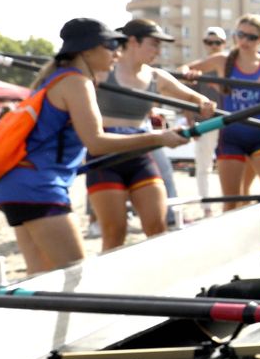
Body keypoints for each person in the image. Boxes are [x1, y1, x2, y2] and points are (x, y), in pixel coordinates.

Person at [0, 19, 187, 275]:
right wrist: (159, 138)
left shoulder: (54, 79)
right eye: (110, 44)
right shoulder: (76, 82)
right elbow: (97, 142)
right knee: (76, 278)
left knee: (39, 282)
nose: (117, 51)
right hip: (38, 188)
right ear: (86, 50)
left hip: (12, 186)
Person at [87, 19, 214, 250]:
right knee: (115, 234)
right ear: (133, 41)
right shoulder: (103, 72)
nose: (158, 50)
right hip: (106, 155)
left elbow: (193, 98)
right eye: (153, 44)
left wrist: (203, 103)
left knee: (157, 228)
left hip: (141, 154)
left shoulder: (157, 77)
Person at [188, 14, 260, 210]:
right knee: (231, 203)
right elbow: (184, 70)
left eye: (251, 37)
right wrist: (192, 73)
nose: (244, 40)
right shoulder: (222, 60)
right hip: (231, 136)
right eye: (240, 34)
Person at [190, 26, 226, 203]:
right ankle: (207, 205)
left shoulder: (230, 66)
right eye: (209, 42)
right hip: (206, 122)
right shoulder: (199, 68)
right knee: (204, 166)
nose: (213, 46)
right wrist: (191, 124)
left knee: (231, 163)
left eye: (217, 42)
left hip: (227, 121)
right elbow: (188, 97)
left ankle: (233, 202)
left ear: (223, 44)